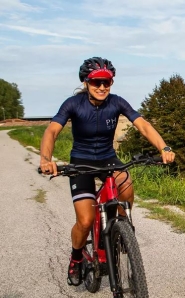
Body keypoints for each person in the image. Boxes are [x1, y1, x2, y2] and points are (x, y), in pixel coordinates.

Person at [39, 57, 176, 286]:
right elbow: (52, 131)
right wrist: (46, 159)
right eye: (96, 82)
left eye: (107, 82)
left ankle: (123, 228)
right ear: (86, 82)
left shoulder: (117, 102)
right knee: (85, 220)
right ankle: (75, 259)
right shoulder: (73, 104)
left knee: (126, 182)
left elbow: (142, 124)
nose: (102, 87)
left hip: (107, 159)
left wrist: (164, 147)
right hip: (80, 162)